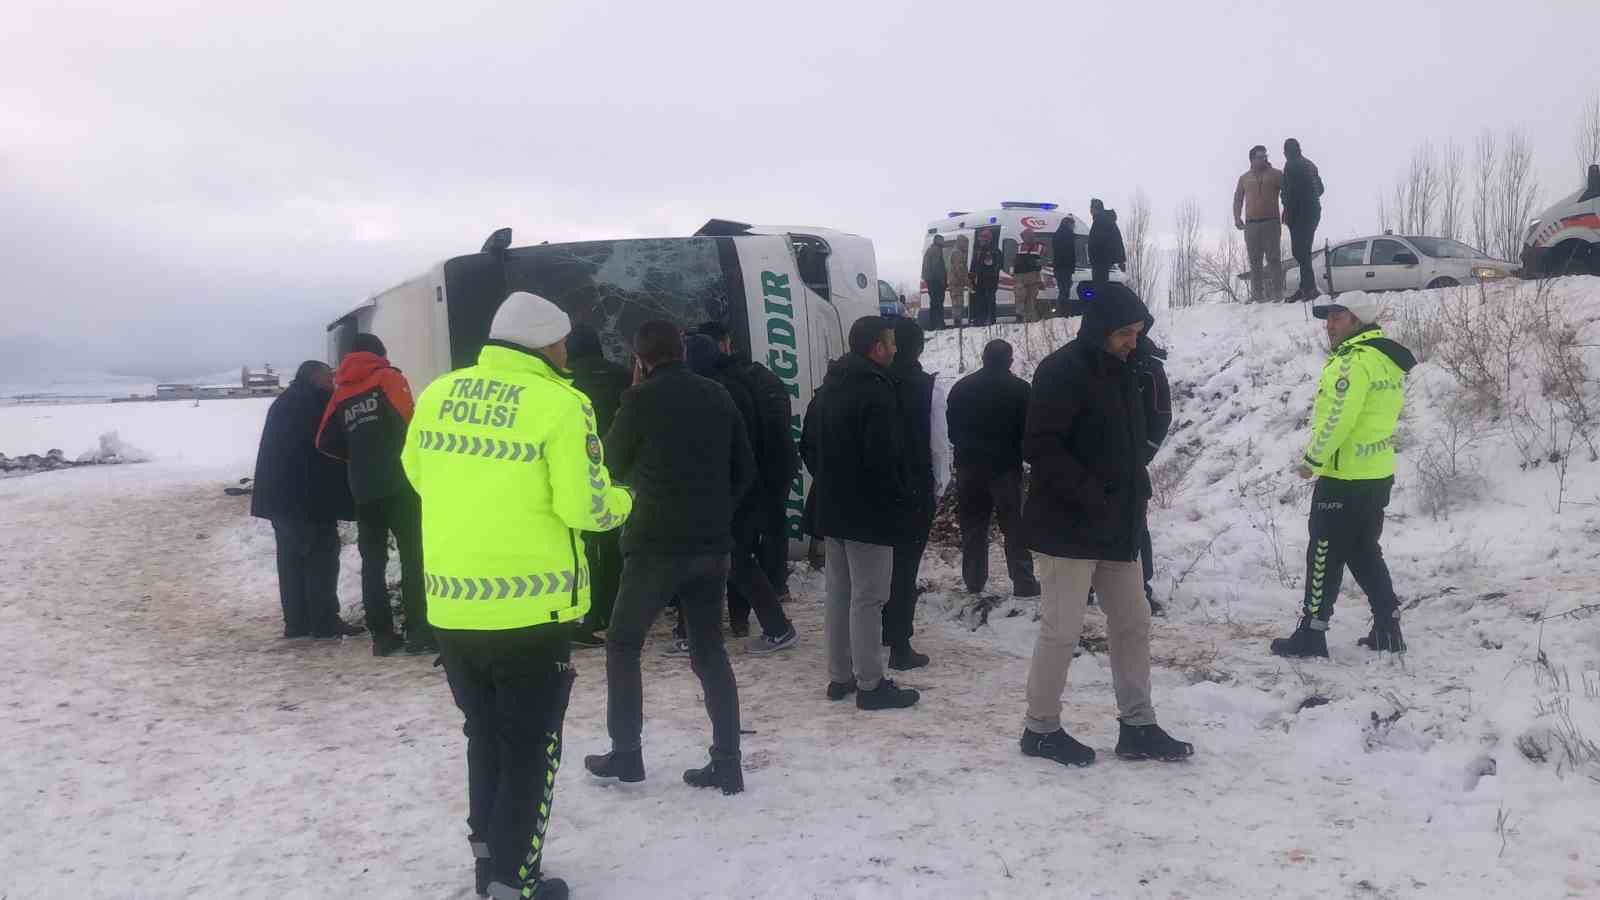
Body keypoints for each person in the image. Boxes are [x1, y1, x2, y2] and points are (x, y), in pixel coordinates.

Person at [402, 291, 634, 900]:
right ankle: (515, 879)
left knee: (483, 735)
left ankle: (487, 859)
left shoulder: (437, 393)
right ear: (545, 344)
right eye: (561, 343)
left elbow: (418, 475)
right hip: (532, 612)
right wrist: (626, 500)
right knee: (531, 750)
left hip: (452, 606)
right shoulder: (562, 403)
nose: (566, 352)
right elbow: (584, 507)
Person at [1019, 284, 1194, 767]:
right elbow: (1040, 447)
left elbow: (1134, 446)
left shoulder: (1126, 371)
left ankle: (1137, 725)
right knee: (1062, 629)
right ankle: (1041, 728)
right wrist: (1092, 495)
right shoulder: (1060, 371)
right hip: (1066, 525)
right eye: (1124, 333)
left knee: (1134, 623)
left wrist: (1132, 496)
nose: (1132, 342)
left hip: (1118, 525)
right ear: (1100, 329)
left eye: (1137, 333)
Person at [585, 320, 755, 795]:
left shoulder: (638, 400)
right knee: (709, 651)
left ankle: (626, 754)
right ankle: (727, 761)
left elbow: (611, 466)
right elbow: (746, 469)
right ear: (682, 350)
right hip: (711, 545)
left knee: (622, 644)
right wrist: (717, 513)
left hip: (654, 546)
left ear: (640, 358)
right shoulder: (719, 395)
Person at [1271, 292, 1415, 658]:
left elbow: (1339, 419)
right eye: (1328, 317)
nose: (1329, 325)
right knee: (1364, 550)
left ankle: (1311, 635)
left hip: (1344, 476)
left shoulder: (1351, 363)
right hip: (1376, 473)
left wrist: (1312, 460)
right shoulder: (1383, 358)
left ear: (1357, 320)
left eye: (1338, 317)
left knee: (1323, 551)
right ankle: (1387, 625)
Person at [800, 316, 921, 710]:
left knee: (840, 593)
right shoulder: (876, 390)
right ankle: (871, 685)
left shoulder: (829, 386)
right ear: (875, 347)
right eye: (890, 343)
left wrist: (832, 480)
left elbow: (807, 446)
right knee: (869, 599)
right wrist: (900, 499)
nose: (896, 349)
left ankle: (840, 677)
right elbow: (884, 458)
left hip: (832, 506)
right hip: (869, 512)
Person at [317, 334, 430, 656]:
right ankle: (419, 631)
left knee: (373, 563)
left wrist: (358, 457)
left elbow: (324, 440)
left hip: (363, 489)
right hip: (401, 484)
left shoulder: (340, 393)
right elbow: (413, 423)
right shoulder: (388, 378)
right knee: (413, 556)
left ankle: (382, 636)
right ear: (378, 353)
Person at [685, 334, 798, 653]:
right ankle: (753, 623)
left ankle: (768, 627)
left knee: (727, 560)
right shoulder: (734, 385)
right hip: (741, 489)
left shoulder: (712, 393)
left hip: (724, 492)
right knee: (735, 559)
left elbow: (720, 448)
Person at [251, 361, 361, 640]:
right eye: (329, 376)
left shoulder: (285, 401)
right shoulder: (314, 403)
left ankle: (297, 622)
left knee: (290, 562)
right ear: (315, 377)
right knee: (320, 559)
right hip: (307, 499)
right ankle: (324, 622)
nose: (333, 381)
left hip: (279, 499)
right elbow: (328, 449)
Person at [881, 318, 950, 670]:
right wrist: (940, 485)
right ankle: (899, 644)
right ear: (919, 347)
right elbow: (938, 445)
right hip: (914, 489)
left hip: (877, 487)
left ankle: (875, 630)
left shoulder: (875, 380)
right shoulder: (929, 388)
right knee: (905, 569)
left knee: (876, 568)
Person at [946, 339, 1039, 599]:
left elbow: (951, 431)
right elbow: (1028, 431)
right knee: (1015, 527)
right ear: (1009, 360)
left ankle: (974, 581)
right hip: (1006, 468)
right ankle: (1023, 581)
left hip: (969, 468)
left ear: (983, 358)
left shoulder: (961, 388)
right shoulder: (1020, 389)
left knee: (973, 526)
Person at [565, 324, 631, 648]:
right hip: (618, 469)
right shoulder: (621, 375)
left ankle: (590, 615)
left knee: (585, 547)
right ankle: (614, 608)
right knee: (616, 542)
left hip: (579, 473)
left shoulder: (563, 382)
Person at [1130, 316, 1172, 616]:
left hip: (1131, 463)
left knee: (1134, 526)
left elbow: (1161, 414)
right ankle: (1091, 583)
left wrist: (1144, 453)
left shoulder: (1149, 368)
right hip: (1092, 464)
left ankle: (1141, 587)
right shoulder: (1101, 359)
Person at [1233, 145, 1285, 303]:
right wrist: (1237, 217)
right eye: (1260, 156)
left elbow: (1288, 193)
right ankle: (1257, 296)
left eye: (1265, 155)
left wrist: (1287, 210)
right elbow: (1238, 199)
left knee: (1274, 259)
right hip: (1251, 225)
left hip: (1271, 222)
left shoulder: (1276, 174)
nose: (1263, 158)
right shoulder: (1244, 178)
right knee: (1255, 260)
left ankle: (1278, 293)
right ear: (1252, 159)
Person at [1282, 138, 1326, 302]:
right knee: (1303, 251)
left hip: (1300, 214)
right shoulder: (1309, 164)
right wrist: (1310, 198)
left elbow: (1289, 192)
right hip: (1312, 211)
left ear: (1287, 152)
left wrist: (1287, 207)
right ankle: (1306, 287)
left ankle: (1310, 289)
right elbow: (1321, 189)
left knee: (1301, 251)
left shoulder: (1292, 165)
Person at [1087, 199, 1126, 294]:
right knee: (1101, 287)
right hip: (1101, 261)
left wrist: (1120, 260)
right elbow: (1117, 240)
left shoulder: (1102, 221)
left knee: (1100, 289)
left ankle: (1101, 307)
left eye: (1091, 208)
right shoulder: (1104, 220)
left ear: (1095, 209)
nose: (1090, 210)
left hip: (1101, 260)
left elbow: (1114, 240)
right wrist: (1121, 260)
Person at [968, 232, 1003, 326]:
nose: (980, 242)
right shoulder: (978, 252)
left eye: (982, 240)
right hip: (979, 281)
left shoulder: (995, 251)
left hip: (990, 281)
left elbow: (995, 265)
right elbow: (973, 266)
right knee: (980, 300)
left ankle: (990, 319)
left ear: (988, 240)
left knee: (990, 300)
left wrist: (988, 256)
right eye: (980, 240)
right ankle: (980, 319)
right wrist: (971, 279)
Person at [1013, 228, 1046, 322]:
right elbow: (1012, 261)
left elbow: (1045, 261)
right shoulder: (1018, 247)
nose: (1024, 238)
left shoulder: (1040, 247)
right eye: (1023, 237)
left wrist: (1036, 262)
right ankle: (1020, 317)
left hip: (1033, 276)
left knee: (1031, 301)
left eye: (1026, 236)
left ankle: (1031, 322)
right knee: (1020, 297)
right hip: (1020, 277)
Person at [922, 235, 949, 330]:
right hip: (936, 282)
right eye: (942, 240)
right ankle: (940, 324)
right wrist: (943, 282)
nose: (943, 242)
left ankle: (933, 325)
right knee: (938, 303)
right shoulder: (936, 250)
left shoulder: (930, 249)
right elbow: (937, 267)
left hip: (930, 281)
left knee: (933, 304)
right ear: (938, 241)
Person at [1051, 216, 1078, 306]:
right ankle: (1063, 311)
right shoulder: (1067, 235)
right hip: (1065, 267)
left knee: (1063, 290)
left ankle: (1062, 310)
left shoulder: (1057, 234)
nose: (1074, 226)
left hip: (1059, 267)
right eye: (1072, 224)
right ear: (1068, 224)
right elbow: (1069, 253)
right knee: (1065, 291)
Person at [946, 235, 971, 328]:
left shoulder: (955, 251)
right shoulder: (957, 253)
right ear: (960, 242)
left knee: (957, 302)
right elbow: (959, 269)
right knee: (958, 303)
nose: (966, 246)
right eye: (965, 243)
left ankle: (957, 321)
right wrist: (966, 281)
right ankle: (957, 323)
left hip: (955, 282)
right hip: (956, 283)